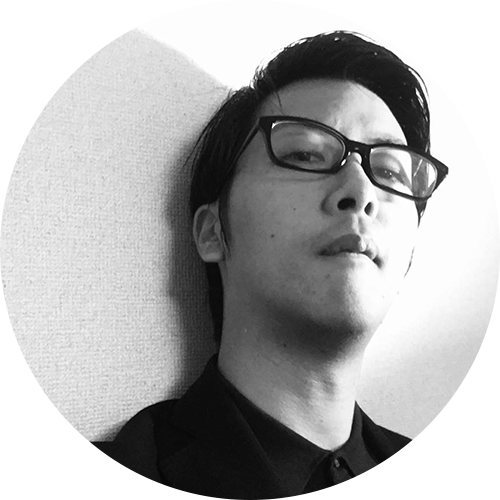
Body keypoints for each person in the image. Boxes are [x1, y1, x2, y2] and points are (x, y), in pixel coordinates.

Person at [1, 31, 475, 500]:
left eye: (390, 171)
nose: (360, 190)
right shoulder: (80, 488)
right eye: (305, 154)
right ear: (213, 231)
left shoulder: (445, 485)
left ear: (409, 257)